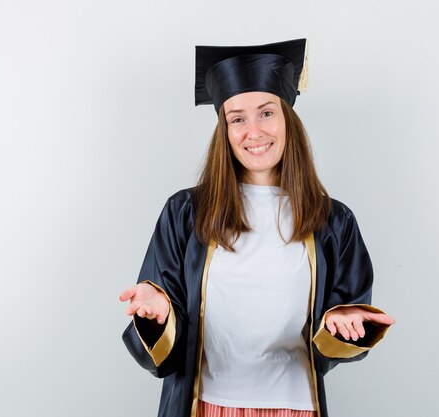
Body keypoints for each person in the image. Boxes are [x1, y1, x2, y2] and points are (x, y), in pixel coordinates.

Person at [118, 38, 395, 417]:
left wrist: (339, 322)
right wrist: (160, 314)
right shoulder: (186, 213)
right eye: (237, 118)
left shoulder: (332, 220)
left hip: (295, 406)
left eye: (266, 113)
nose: (254, 131)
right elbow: (165, 329)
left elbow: (335, 335)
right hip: (204, 405)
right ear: (225, 130)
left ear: (287, 120)